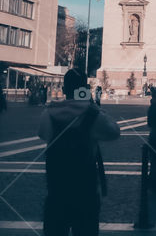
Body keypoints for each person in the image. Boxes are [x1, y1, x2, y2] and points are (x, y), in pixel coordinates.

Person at [39, 68, 119, 236]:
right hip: (85, 192)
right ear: (84, 90)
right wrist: (94, 107)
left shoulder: (48, 114)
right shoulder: (93, 116)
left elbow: (42, 134)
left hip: (57, 191)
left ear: (64, 89)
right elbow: (114, 132)